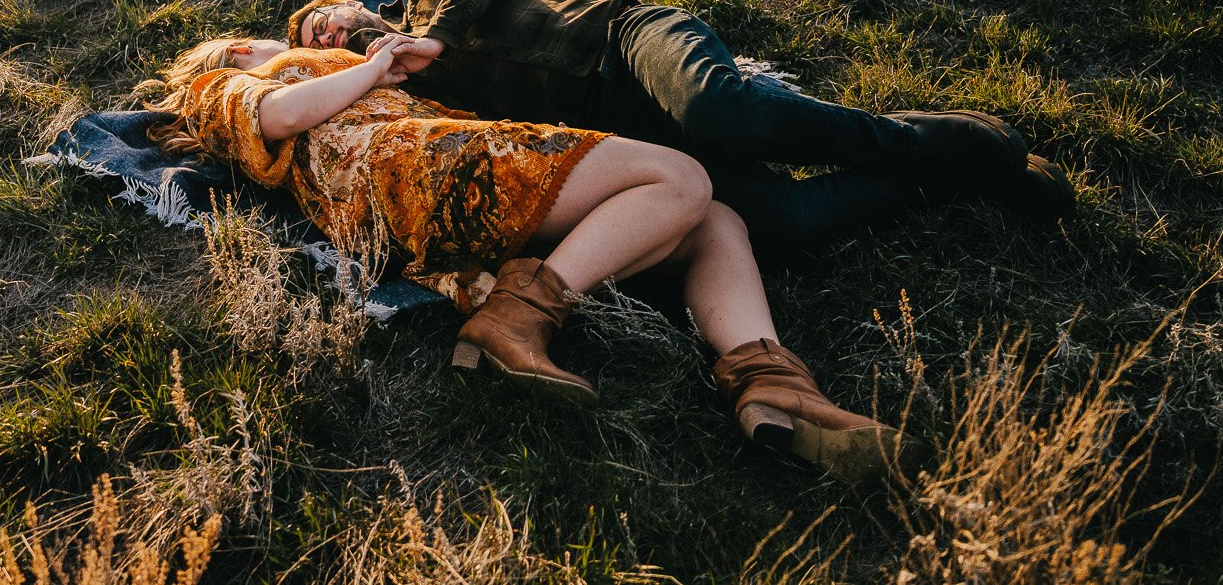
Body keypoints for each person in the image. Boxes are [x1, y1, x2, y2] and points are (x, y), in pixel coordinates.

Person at [144, 33, 923, 484]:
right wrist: (371, 65)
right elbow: (279, 114)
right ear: (240, 49)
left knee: (712, 217)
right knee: (680, 176)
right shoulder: (233, 79)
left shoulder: (312, 72)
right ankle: (514, 317)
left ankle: (770, 382)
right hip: (420, 166)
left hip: (440, 198)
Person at [285, 0, 1073, 252]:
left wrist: (438, 38)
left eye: (329, 14)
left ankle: (955, 142)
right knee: (782, 226)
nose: (330, 31)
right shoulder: (410, 117)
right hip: (624, 139)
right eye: (316, 42)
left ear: (359, 8)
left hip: (628, 42)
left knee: (725, 113)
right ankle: (942, 180)